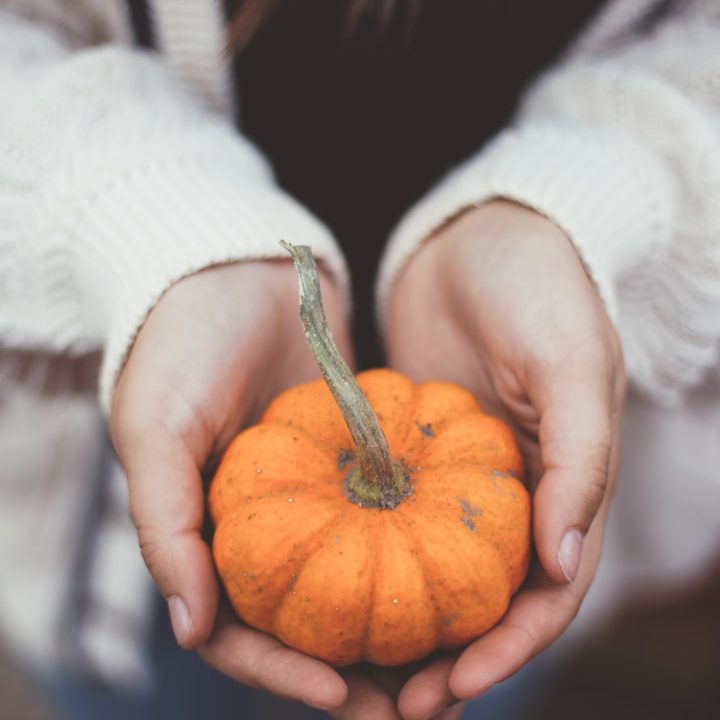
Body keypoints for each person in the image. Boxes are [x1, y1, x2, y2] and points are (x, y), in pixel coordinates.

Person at [1, 1, 719, 719]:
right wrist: (144, 227)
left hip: (508, 487)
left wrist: (585, 199)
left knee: (478, 677)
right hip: (127, 504)